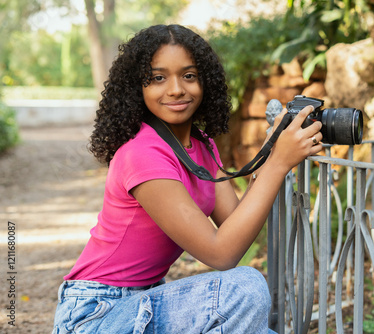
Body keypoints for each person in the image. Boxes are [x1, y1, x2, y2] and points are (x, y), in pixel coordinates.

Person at [52, 24, 323, 334]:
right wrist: (278, 163)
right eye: (158, 78)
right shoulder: (142, 153)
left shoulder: (200, 144)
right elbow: (222, 254)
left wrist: (272, 152)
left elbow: (236, 224)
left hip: (144, 303)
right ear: (136, 88)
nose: (177, 89)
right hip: (97, 314)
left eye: (189, 76)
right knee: (243, 287)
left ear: (205, 82)